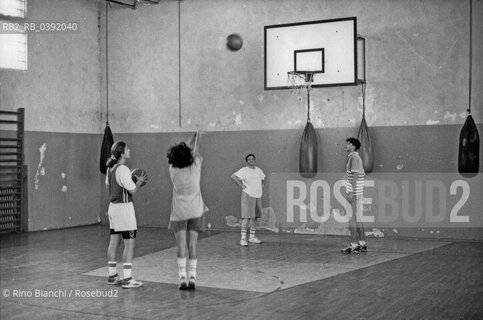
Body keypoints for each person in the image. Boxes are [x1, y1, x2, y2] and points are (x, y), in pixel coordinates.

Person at [167, 131, 208, 290]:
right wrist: (198, 136)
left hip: (179, 212)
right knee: (192, 245)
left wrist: (190, 139)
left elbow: (184, 150)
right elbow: (196, 149)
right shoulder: (196, 165)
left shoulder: (172, 170)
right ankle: (192, 278)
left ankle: (182, 278)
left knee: (181, 246)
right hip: (196, 211)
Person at [105, 141, 147, 288]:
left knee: (113, 242)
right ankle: (127, 279)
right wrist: (139, 182)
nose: (129, 150)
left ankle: (112, 276)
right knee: (129, 245)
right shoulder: (123, 169)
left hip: (112, 208)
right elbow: (132, 190)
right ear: (122, 153)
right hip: (124, 209)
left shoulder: (111, 168)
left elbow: (109, 185)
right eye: (127, 149)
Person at [231, 154, 265, 247]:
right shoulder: (244, 170)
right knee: (246, 217)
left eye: (252, 159)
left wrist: (261, 188)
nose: (251, 160)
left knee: (254, 217)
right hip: (248, 195)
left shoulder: (259, 170)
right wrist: (241, 186)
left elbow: (263, 179)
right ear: (247, 161)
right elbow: (233, 176)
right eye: (249, 159)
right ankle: (242, 239)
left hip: (257, 196)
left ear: (254, 160)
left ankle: (252, 237)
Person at [341, 137, 367, 254]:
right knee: (357, 218)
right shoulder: (354, 157)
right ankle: (362, 244)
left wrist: (351, 191)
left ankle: (354, 245)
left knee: (352, 219)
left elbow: (355, 176)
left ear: (353, 146)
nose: (346, 146)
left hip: (354, 193)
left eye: (348, 144)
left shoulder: (355, 158)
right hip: (357, 192)